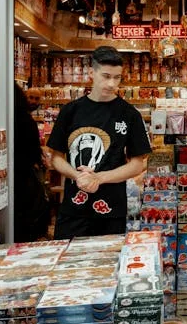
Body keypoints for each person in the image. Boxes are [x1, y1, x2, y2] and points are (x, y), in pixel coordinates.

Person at [46, 46, 151, 239]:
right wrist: (77, 176)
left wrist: (99, 178)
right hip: (73, 208)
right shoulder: (70, 111)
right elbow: (56, 158)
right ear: (91, 73)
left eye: (117, 77)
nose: (111, 83)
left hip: (111, 210)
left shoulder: (129, 114)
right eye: (106, 76)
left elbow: (137, 164)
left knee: (108, 263)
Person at [13, 82, 52, 243]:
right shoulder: (24, 118)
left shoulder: (18, 116)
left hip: (24, 171)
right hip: (25, 171)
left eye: (37, 98)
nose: (34, 101)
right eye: (31, 97)